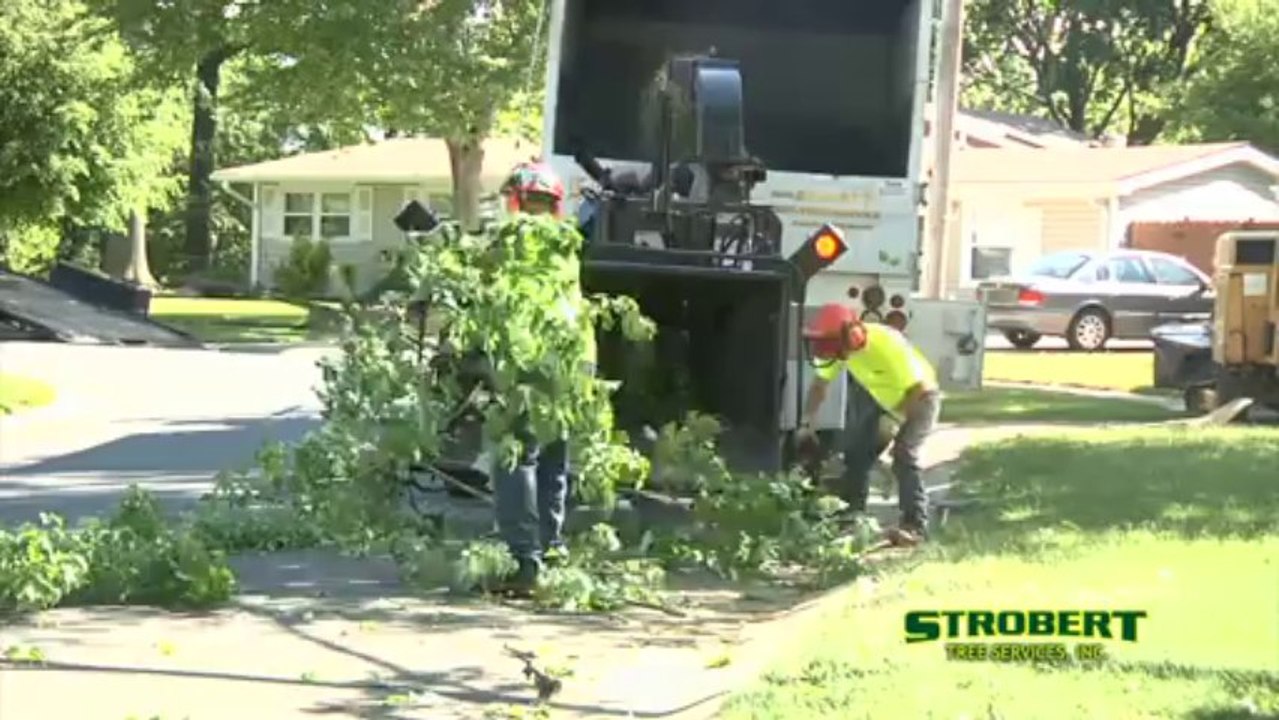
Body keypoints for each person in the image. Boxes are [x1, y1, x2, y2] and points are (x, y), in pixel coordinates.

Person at [490, 160, 593, 594]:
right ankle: (551, 549)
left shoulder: (511, 242)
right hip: (574, 363)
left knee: (516, 458)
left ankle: (523, 563)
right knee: (554, 459)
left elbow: (487, 293)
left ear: (516, 200)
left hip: (528, 361)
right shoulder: (566, 245)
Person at [796, 302, 942, 547]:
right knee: (857, 454)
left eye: (833, 344)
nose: (829, 351)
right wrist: (807, 421)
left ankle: (915, 525)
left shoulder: (886, 344)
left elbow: (919, 387)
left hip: (921, 399)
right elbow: (820, 385)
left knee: (904, 454)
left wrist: (894, 420)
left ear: (852, 333)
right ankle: (851, 517)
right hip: (887, 402)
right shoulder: (840, 349)